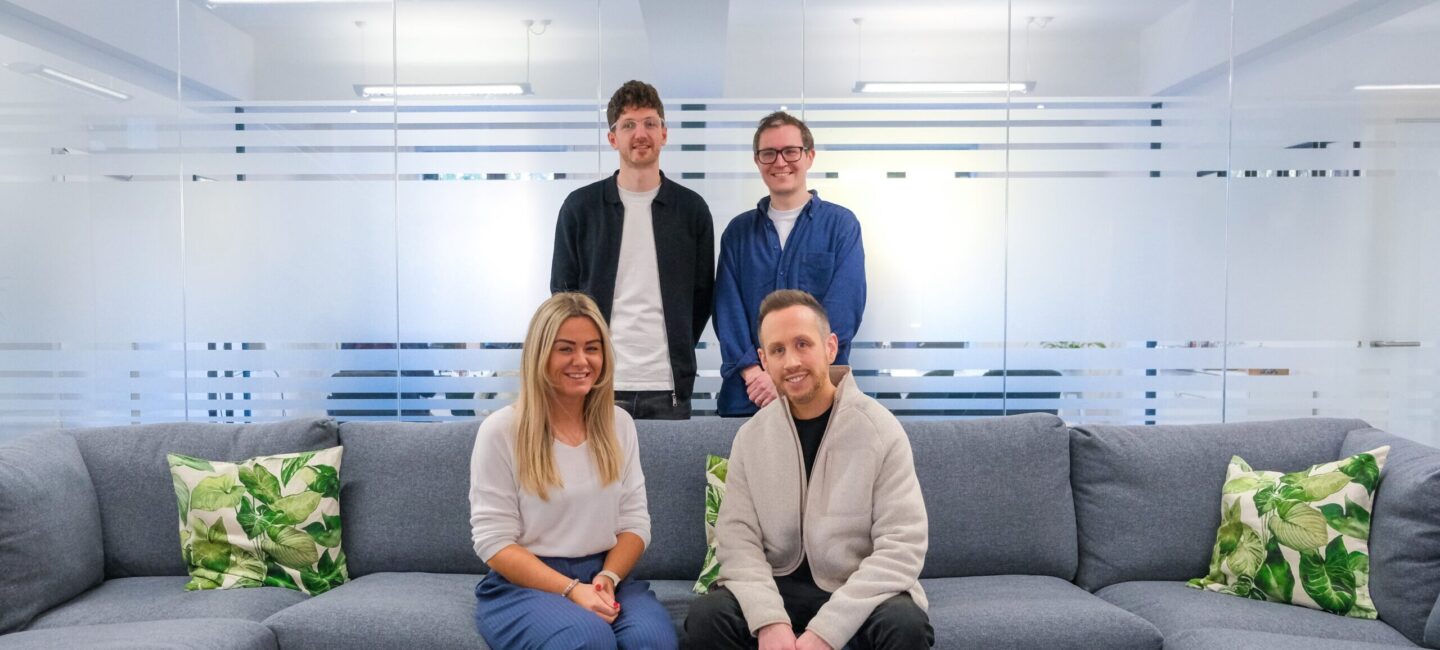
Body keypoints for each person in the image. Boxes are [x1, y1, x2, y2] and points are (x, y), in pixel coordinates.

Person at [686, 290, 932, 650]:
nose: (792, 362)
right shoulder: (750, 438)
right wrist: (769, 620)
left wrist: (826, 633)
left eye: (803, 344)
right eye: (778, 350)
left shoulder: (881, 430)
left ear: (830, 347)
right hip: (775, 586)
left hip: (855, 588)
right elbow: (737, 542)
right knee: (707, 618)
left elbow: (902, 547)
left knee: (906, 626)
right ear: (763, 360)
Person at [469, 292, 677, 648]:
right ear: (540, 354)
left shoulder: (620, 424)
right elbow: (494, 542)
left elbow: (635, 524)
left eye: (592, 348)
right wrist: (570, 590)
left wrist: (608, 577)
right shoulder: (501, 431)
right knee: (588, 640)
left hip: (604, 574)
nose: (581, 360)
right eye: (565, 348)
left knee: (653, 641)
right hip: (525, 584)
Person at [551, 80, 715, 420]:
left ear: (664, 133)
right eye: (628, 125)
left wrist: (678, 345)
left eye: (650, 123)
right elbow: (562, 295)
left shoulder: (691, 210)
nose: (640, 133)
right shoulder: (581, 208)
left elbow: (702, 297)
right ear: (613, 139)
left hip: (668, 386)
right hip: (598, 384)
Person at [713, 111, 865, 417]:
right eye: (768, 153)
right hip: (749, 398)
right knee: (737, 467)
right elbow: (727, 313)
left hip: (820, 400)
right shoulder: (738, 234)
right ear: (757, 161)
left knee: (821, 468)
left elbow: (843, 312)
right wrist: (757, 374)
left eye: (790, 151)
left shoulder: (841, 226)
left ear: (809, 156)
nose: (780, 162)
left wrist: (783, 375)